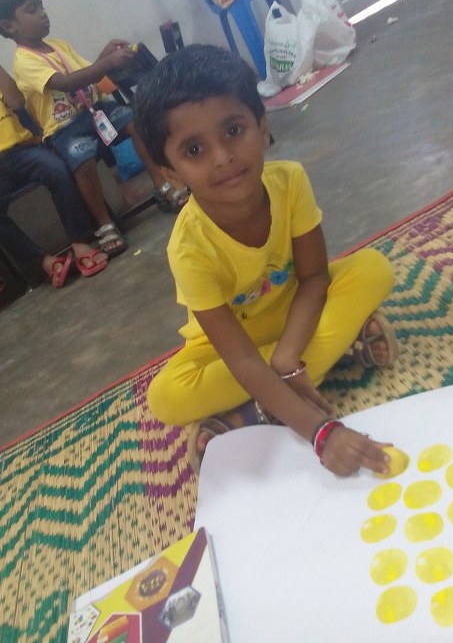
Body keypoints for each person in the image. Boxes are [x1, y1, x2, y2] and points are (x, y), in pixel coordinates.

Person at [134, 44, 399, 478]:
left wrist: (288, 356)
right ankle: (334, 353)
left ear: (261, 127)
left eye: (233, 130)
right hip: (232, 340)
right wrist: (320, 431)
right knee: (166, 397)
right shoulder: (187, 248)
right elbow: (239, 358)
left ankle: (252, 411)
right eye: (194, 150)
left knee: (373, 268)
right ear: (172, 173)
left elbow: (314, 278)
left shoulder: (290, 181)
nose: (222, 157)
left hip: (299, 308)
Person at [0, 0, 188, 259]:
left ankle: (162, 184)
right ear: (9, 26)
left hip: (92, 111)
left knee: (133, 121)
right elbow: (66, 83)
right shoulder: (23, 62)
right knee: (82, 160)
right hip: (64, 129)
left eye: (41, 5)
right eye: (32, 9)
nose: (43, 13)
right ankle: (104, 224)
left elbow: (89, 73)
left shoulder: (59, 46)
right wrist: (107, 62)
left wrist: (105, 55)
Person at [0, 64, 107, 285]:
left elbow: (17, 102)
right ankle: (45, 262)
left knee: (56, 169)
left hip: (20, 150)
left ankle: (80, 242)